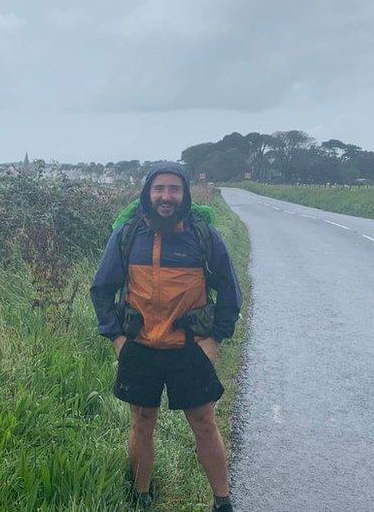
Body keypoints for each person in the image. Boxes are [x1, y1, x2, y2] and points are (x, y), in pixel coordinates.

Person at [90, 161, 242, 511]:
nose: (166, 196)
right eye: (159, 189)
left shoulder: (203, 235)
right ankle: (141, 497)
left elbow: (230, 292)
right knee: (141, 423)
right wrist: (116, 339)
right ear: (148, 193)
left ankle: (222, 502)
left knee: (204, 423)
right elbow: (102, 289)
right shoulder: (127, 234)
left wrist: (214, 340)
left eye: (174, 189)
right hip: (139, 347)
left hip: (190, 348)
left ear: (185, 194)